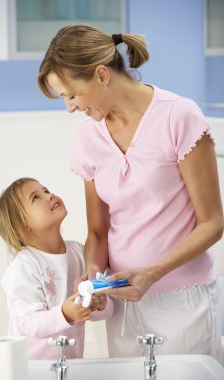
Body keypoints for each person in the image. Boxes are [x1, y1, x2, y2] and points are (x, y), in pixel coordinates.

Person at [37, 25, 224, 361]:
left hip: (183, 300)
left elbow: (212, 222)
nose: (69, 107)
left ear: (101, 75)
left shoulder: (178, 116)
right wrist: (94, 276)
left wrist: (152, 273)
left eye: (71, 94)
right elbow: (98, 230)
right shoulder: (87, 137)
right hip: (123, 306)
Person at [0, 177, 113, 359]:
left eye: (46, 190)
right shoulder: (25, 265)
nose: (49, 196)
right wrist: (65, 313)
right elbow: (29, 322)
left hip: (69, 365)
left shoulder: (79, 253)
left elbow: (107, 311)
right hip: (31, 368)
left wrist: (100, 303)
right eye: (36, 197)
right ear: (20, 226)